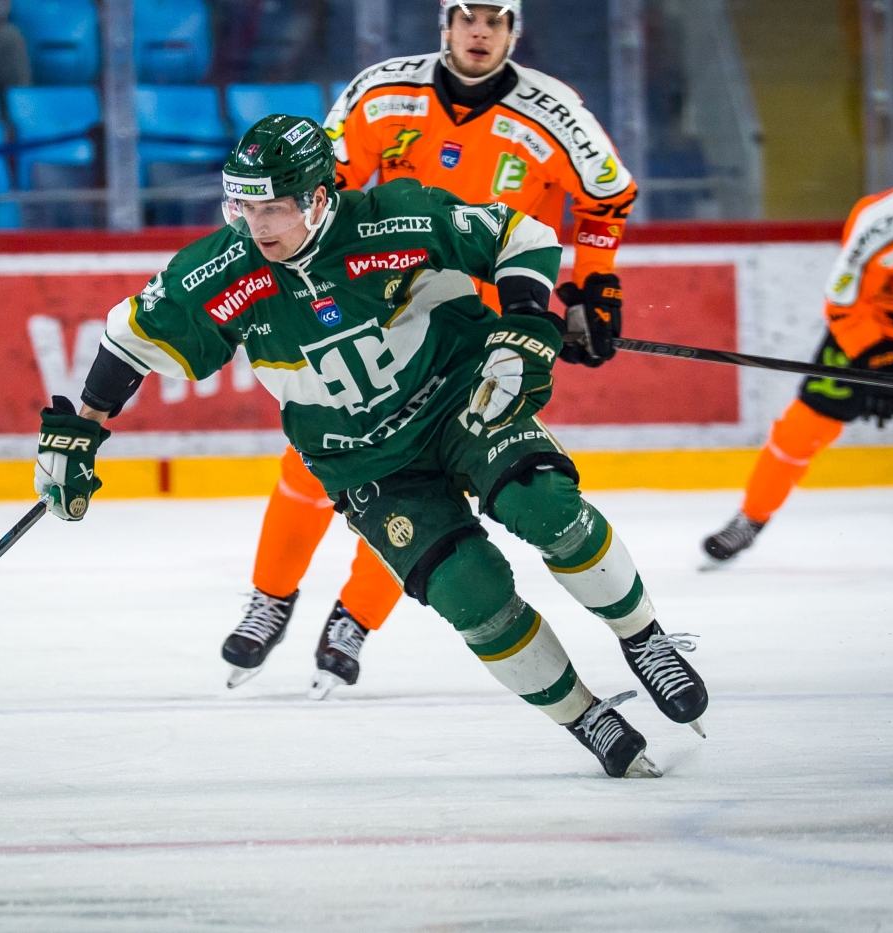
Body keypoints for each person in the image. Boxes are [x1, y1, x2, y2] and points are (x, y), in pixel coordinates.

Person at [31, 115, 707, 778]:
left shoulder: (393, 217)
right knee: (469, 593)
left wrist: (525, 321)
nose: (256, 226)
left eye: (272, 208)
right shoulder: (222, 269)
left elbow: (520, 235)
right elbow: (129, 340)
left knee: (545, 505)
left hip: (461, 399)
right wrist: (80, 431)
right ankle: (585, 716)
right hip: (362, 459)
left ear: (318, 198)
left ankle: (644, 640)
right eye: (243, 207)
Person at [235, 0, 642, 699]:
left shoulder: (555, 112)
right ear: (445, 24)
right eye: (467, 17)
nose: (480, 32)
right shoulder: (380, 92)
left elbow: (608, 195)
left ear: (514, 30)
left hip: (475, 343)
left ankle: (355, 620)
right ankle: (270, 597)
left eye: (495, 20)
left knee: (426, 485)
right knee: (313, 458)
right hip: (381, 315)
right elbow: (316, 187)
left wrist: (594, 285)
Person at [703, 139, 893, 564]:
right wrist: (879, 362)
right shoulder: (879, 221)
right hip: (873, 333)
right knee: (800, 430)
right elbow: (842, 302)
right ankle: (750, 519)